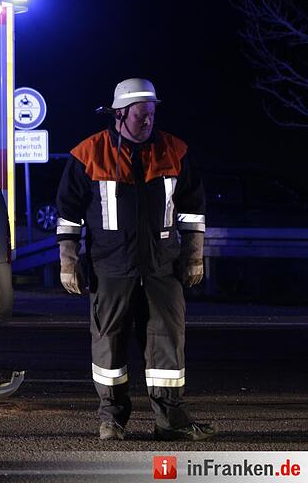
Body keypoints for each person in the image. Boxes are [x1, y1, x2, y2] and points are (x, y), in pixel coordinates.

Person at [56, 78, 214, 442]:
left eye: (152, 114)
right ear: (120, 114)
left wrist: (194, 255)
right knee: (108, 342)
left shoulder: (174, 151)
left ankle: (169, 421)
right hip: (110, 267)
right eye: (141, 115)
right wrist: (68, 260)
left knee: (167, 343)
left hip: (163, 267)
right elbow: (68, 214)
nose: (147, 122)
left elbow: (192, 209)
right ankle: (112, 419)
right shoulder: (88, 154)